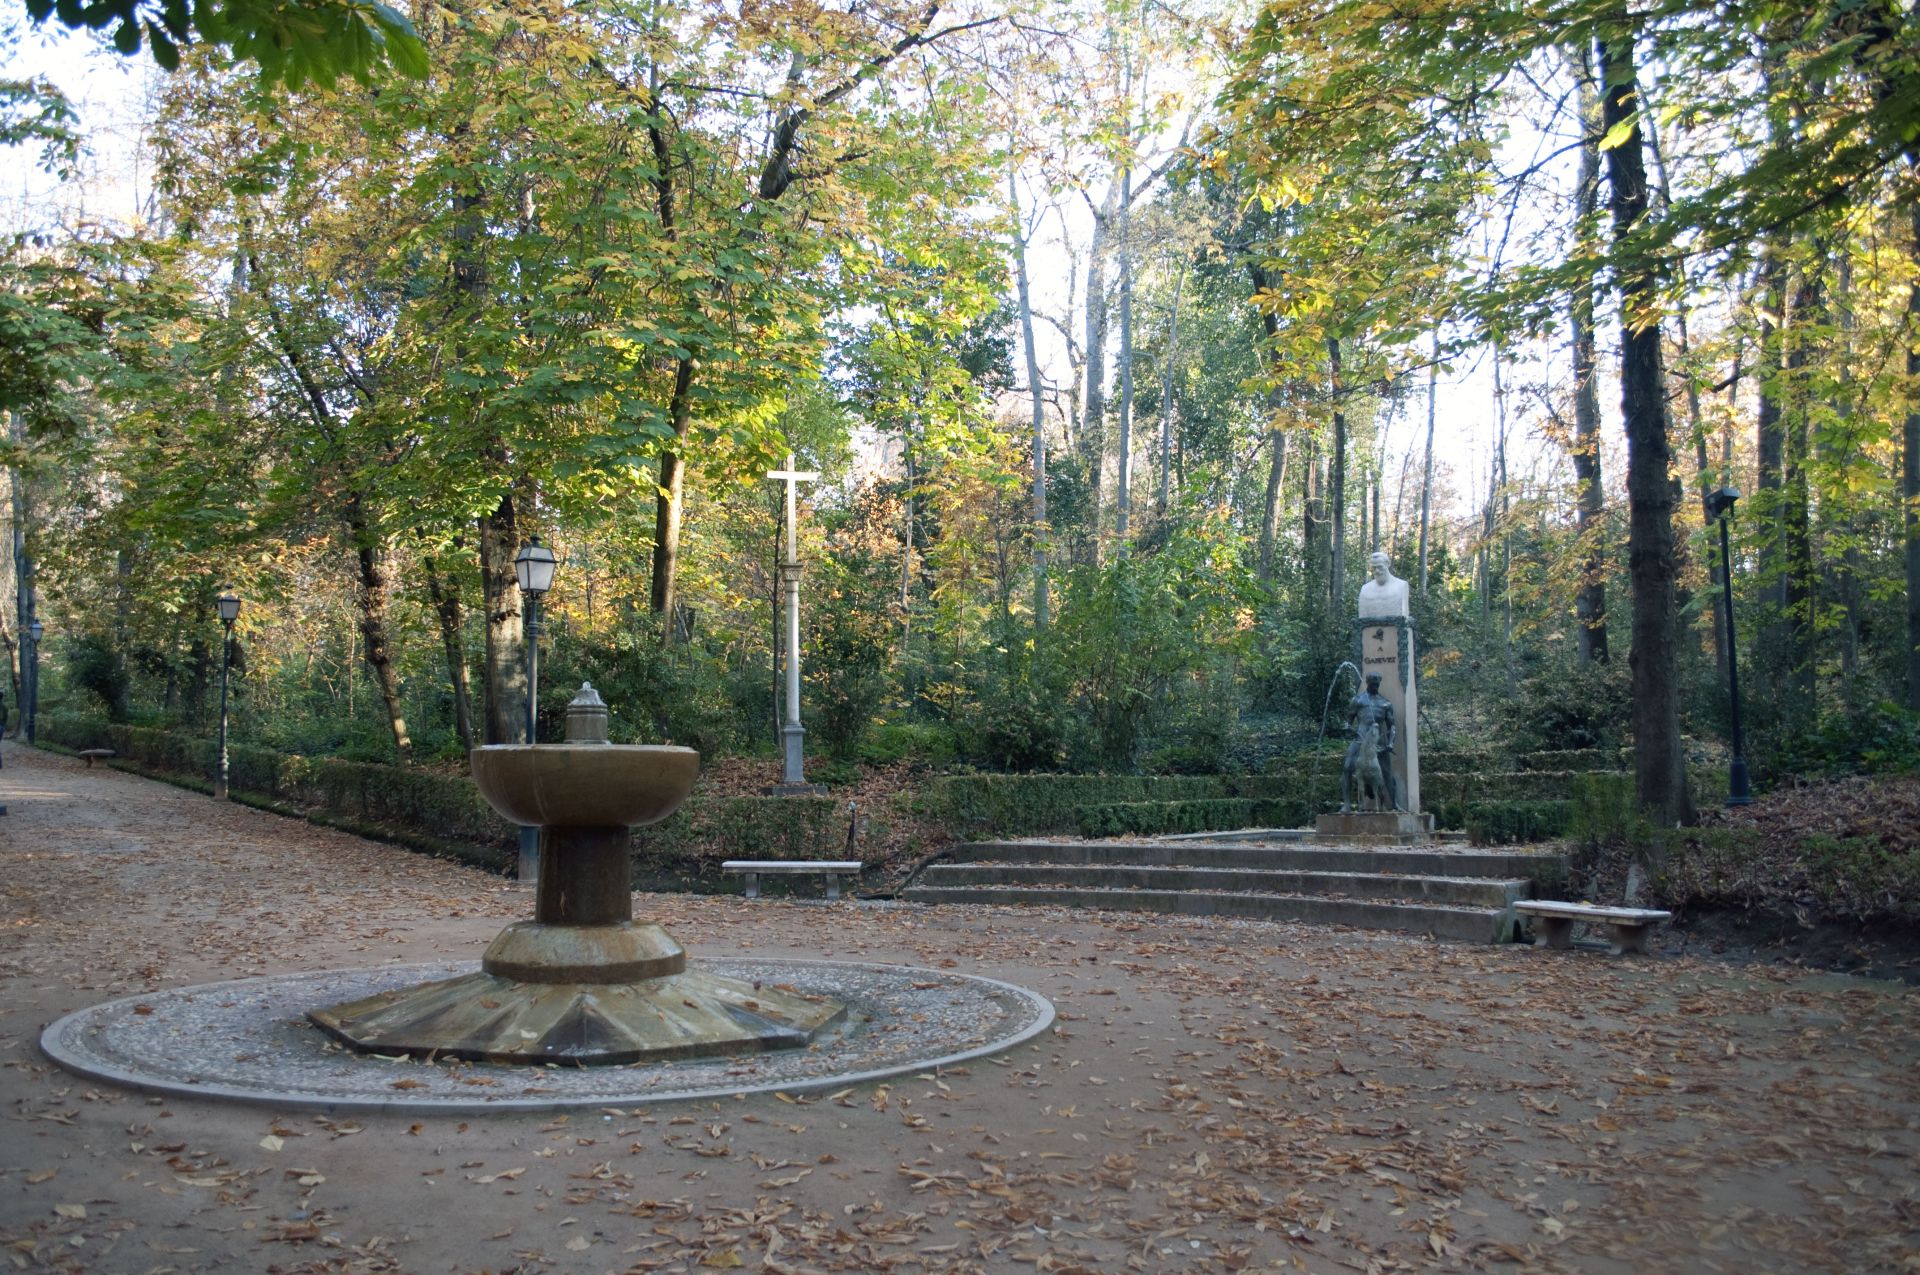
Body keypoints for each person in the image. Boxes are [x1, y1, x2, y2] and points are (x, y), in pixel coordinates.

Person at [1342, 672, 1398, 811]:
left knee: (1387, 772)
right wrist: (1349, 730)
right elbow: (1347, 722)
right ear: (1367, 682)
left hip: (1378, 743)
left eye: (1377, 684)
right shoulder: (1358, 700)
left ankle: (1395, 804)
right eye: (1373, 684)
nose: (1375, 686)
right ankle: (1347, 804)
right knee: (1347, 767)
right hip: (1360, 739)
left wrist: (1390, 743)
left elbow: (1392, 727)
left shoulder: (1385, 703)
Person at [1357, 550, 1410, 619]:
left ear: (1388, 564)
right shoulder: (1365, 589)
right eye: (1374, 568)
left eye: (1380, 567)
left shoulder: (1401, 586)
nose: (1377, 571)